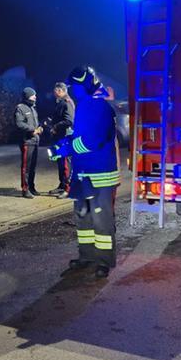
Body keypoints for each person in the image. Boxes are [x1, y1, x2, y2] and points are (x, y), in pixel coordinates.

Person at [49, 66, 119, 279]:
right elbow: (80, 136)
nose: (72, 91)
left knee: (101, 220)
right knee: (83, 218)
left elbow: (92, 141)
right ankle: (86, 256)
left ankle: (103, 261)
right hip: (83, 174)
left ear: (85, 85)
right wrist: (64, 144)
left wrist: (66, 148)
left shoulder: (99, 107)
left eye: (75, 87)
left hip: (100, 175)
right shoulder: (85, 106)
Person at [47, 81, 75, 198]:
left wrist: (55, 126)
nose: (54, 93)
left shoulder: (66, 102)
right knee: (60, 162)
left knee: (65, 164)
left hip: (65, 137)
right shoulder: (60, 103)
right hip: (59, 137)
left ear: (61, 91)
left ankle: (68, 189)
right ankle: (62, 185)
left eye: (56, 91)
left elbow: (69, 121)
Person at [14, 87, 42, 198]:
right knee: (26, 167)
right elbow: (19, 124)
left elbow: (35, 123)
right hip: (27, 141)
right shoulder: (20, 108)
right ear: (27, 96)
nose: (35, 97)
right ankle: (25, 189)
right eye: (33, 95)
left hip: (35, 140)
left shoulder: (33, 108)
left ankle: (31, 187)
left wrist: (39, 128)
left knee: (33, 167)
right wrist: (32, 130)